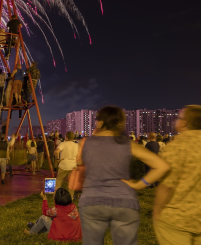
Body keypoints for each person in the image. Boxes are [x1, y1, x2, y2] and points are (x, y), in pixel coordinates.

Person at [79, 106, 170, 245]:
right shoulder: (127, 144)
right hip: (125, 201)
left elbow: (79, 162)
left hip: (92, 201)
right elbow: (162, 166)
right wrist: (139, 184)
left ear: (101, 122)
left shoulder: (86, 143)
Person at [152, 105, 201, 244]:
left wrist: (157, 209)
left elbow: (166, 185)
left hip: (177, 219)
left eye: (178, 118)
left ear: (184, 122)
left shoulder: (177, 146)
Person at [53, 131, 78, 197]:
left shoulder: (63, 144)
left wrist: (58, 159)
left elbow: (56, 152)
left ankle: (56, 194)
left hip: (64, 165)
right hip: (73, 166)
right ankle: (71, 196)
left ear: (66, 137)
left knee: (59, 180)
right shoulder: (77, 145)